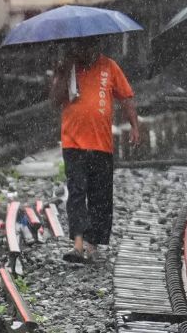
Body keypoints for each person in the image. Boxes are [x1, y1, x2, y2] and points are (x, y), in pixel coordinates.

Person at [48, 36, 142, 264]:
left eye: (89, 46)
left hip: (101, 143)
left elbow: (126, 96)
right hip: (74, 142)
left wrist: (134, 125)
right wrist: (64, 71)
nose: (84, 51)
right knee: (77, 193)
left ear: (97, 47)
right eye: (80, 46)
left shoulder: (109, 67)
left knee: (100, 196)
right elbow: (54, 100)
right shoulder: (68, 69)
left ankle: (92, 244)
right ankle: (78, 245)